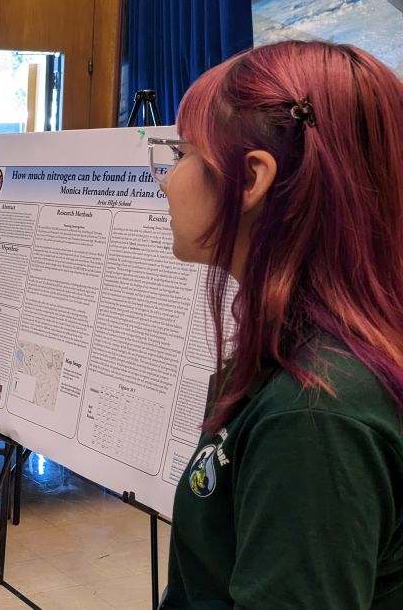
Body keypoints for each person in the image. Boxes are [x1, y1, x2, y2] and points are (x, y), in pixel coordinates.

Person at [156, 41, 403, 608]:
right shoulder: (298, 357)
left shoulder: (313, 418)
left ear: (250, 178)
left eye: (183, 153)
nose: (166, 181)